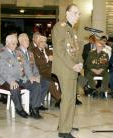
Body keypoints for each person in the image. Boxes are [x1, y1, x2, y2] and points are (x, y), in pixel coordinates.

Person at [52, 4, 83, 138]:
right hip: (65, 68)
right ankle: (64, 131)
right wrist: (73, 65)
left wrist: (80, 62)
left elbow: (77, 50)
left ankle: (66, 124)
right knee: (68, 99)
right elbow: (59, 50)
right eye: (75, 13)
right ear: (67, 13)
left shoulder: (73, 30)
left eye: (79, 13)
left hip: (73, 68)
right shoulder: (60, 27)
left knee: (71, 99)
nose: (78, 16)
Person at [0, 34, 42, 119]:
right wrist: (11, 81)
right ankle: (19, 109)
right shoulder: (1, 53)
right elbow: (2, 70)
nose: (15, 45)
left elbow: (26, 66)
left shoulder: (18, 53)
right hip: (7, 80)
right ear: (7, 43)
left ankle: (34, 109)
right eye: (13, 43)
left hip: (21, 78)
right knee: (15, 87)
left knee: (36, 85)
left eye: (16, 43)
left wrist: (31, 77)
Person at [32, 35, 62, 108]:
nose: (43, 43)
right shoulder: (34, 51)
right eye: (41, 42)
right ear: (37, 42)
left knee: (63, 78)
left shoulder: (49, 51)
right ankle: (60, 100)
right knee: (49, 82)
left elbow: (57, 61)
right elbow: (36, 63)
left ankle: (67, 98)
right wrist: (48, 59)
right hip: (42, 73)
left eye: (44, 42)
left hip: (52, 72)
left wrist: (54, 60)